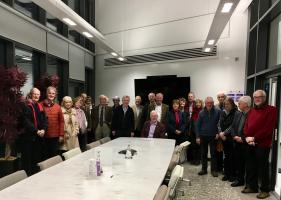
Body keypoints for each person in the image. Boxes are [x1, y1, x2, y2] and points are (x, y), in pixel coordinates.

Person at [242, 90, 277, 199]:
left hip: (262, 143)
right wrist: (247, 136)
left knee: (263, 167)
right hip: (250, 142)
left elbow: (268, 129)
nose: (257, 99)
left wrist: (254, 137)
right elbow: (246, 125)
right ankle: (252, 187)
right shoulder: (252, 110)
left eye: (259, 97)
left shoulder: (272, 110)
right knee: (250, 165)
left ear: (264, 98)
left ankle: (265, 190)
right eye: (255, 97)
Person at [21, 88, 48, 175]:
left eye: (38, 94)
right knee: (27, 161)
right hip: (28, 138)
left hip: (38, 138)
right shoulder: (26, 105)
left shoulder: (40, 106)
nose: (36, 96)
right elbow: (26, 121)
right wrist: (36, 131)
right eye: (35, 94)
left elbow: (45, 119)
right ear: (31, 94)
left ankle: (35, 177)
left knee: (36, 160)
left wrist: (44, 129)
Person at [230, 96, 251, 187]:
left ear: (246, 104)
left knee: (248, 165)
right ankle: (240, 180)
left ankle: (249, 183)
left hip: (247, 143)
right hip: (237, 142)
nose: (238, 104)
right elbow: (233, 126)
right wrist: (234, 136)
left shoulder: (252, 114)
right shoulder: (238, 113)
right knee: (239, 163)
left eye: (240, 103)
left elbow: (252, 130)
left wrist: (242, 138)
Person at [196, 97, 220, 177]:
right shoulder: (201, 113)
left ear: (213, 103)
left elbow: (220, 124)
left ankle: (214, 170)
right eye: (207, 103)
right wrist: (198, 137)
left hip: (214, 136)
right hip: (203, 136)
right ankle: (204, 169)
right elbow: (198, 125)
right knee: (203, 154)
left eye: (211, 102)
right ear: (205, 103)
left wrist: (218, 133)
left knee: (213, 154)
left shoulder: (218, 111)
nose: (209, 104)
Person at [218, 97, 237, 182]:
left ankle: (232, 175)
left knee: (232, 157)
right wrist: (220, 133)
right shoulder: (222, 112)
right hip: (223, 137)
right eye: (225, 104)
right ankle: (226, 174)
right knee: (225, 157)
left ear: (232, 104)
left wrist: (224, 133)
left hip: (231, 138)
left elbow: (232, 125)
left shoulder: (236, 113)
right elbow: (218, 124)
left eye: (228, 104)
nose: (226, 106)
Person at [41, 86, 64, 159]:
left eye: (53, 93)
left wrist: (61, 135)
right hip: (43, 136)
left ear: (55, 95)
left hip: (55, 136)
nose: (51, 95)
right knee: (44, 156)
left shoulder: (58, 107)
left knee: (53, 156)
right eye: (49, 93)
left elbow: (61, 121)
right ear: (46, 94)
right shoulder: (40, 105)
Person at [189, 99, 204, 165]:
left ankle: (198, 160)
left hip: (200, 132)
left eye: (199, 103)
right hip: (193, 131)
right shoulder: (193, 111)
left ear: (201, 104)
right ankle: (194, 159)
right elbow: (192, 122)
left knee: (199, 147)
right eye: (196, 103)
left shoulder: (203, 111)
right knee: (193, 146)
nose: (198, 104)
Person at [215, 91, 227, 172]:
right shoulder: (215, 107)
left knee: (226, 151)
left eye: (222, 97)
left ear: (225, 97)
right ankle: (219, 167)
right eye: (219, 97)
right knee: (218, 151)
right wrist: (217, 132)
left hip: (227, 133)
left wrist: (224, 132)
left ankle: (225, 168)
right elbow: (214, 120)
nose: (220, 98)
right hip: (217, 132)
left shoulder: (229, 105)